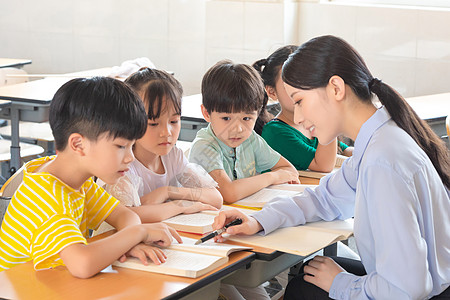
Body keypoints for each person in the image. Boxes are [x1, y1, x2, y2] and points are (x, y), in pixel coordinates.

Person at [213, 35, 450, 299]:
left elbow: (407, 289)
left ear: (336, 88)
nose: (299, 117)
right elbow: (325, 199)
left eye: (299, 101)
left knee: (304, 289)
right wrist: (259, 220)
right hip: (422, 285)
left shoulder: (382, 160)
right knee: (305, 279)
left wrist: (340, 284)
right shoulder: (378, 140)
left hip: (420, 293)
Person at [0, 77, 182, 278]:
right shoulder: (46, 197)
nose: (130, 157)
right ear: (78, 145)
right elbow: (83, 265)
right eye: (121, 146)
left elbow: (125, 215)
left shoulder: (76, 179)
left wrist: (129, 242)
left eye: (131, 145)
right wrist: (137, 234)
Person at [100, 68, 222, 224]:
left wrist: (167, 192)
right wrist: (181, 206)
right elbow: (128, 216)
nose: (166, 132)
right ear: (129, 121)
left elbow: (215, 198)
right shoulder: (123, 165)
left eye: (173, 121)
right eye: (153, 123)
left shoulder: (172, 156)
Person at [188, 60, 299, 204]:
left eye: (246, 118)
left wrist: (279, 175)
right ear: (206, 113)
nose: (238, 129)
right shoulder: (204, 146)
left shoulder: (250, 139)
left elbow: (289, 170)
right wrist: (273, 177)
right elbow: (228, 194)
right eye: (226, 118)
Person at [254, 45, 352, 172]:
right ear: (271, 92)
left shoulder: (312, 123)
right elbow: (323, 165)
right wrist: (328, 114)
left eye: (307, 81)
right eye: (289, 84)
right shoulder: (275, 132)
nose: (300, 89)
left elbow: (344, 151)